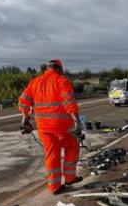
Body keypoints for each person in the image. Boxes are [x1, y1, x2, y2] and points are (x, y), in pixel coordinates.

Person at [18, 58, 82, 194]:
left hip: (44, 128)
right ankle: (70, 178)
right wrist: (76, 120)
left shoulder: (34, 82)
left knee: (52, 156)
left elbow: (23, 100)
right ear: (59, 69)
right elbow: (68, 100)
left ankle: (54, 187)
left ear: (47, 69)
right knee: (72, 148)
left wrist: (25, 117)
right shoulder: (62, 81)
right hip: (62, 127)